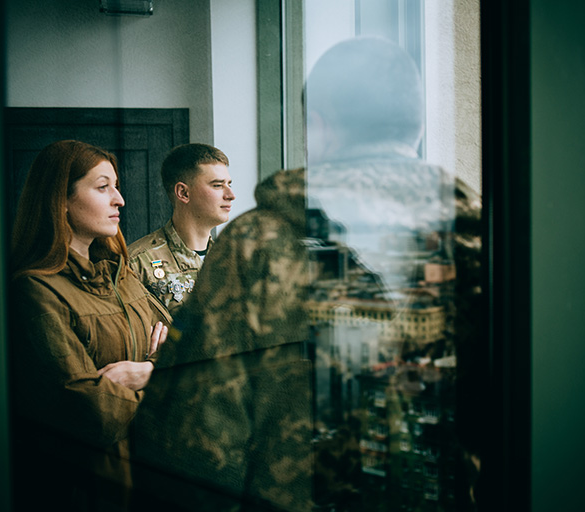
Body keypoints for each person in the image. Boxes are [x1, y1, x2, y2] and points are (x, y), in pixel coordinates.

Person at [133, 37, 483, 511]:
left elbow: (191, 445)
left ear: (318, 126)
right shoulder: (487, 245)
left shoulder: (258, 247)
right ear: (416, 128)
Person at [8, 140, 172, 511]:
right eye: (103, 187)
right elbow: (88, 410)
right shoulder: (34, 289)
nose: (120, 200)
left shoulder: (121, 276)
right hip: (88, 487)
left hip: (149, 476)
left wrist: (147, 372)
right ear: (60, 200)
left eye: (116, 186)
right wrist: (169, 395)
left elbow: (183, 350)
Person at [128, 143, 234, 316]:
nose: (230, 195)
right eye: (217, 185)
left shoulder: (230, 260)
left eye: (229, 184)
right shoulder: (138, 264)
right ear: (183, 193)